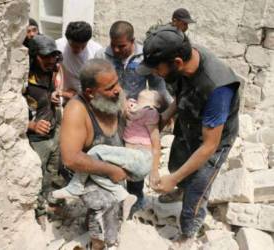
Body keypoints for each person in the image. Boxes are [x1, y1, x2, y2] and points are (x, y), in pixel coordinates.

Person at [137, 26, 240, 248]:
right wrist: (165, 116)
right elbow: (182, 93)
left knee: (197, 185)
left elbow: (209, 146)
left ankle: (188, 232)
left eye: (157, 69)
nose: (156, 73)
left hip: (214, 140)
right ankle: (180, 188)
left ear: (177, 63)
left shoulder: (217, 88)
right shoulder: (184, 59)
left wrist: (171, 180)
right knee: (178, 159)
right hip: (190, 120)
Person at [95, 20, 173, 212]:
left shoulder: (143, 58)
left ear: (132, 41)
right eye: (113, 45)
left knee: (136, 159)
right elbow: (94, 84)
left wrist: (166, 110)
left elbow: (157, 85)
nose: (116, 49)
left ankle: (136, 200)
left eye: (121, 46)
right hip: (109, 114)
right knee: (110, 155)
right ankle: (113, 199)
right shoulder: (102, 56)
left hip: (136, 119)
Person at [53, 89, 164, 220]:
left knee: (95, 152)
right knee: (96, 167)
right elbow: (128, 109)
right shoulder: (135, 112)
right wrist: (126, 104)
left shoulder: (150, 113)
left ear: (154, 107)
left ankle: (75, 187)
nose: (137, 104)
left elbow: (156, 143)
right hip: (130, 160)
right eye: (137, 100)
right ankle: (123, 196)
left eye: (144, 102)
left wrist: (155, 170)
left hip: (141, 158)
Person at [60, 58, 129, 250]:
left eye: (117, 82)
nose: (117, 90)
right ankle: (98, 244)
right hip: (83, 171)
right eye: (109, 87)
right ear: (90, 92)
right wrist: (111, 170)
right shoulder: (76, 110)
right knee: (103, 202)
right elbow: (70, 158)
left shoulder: (115, 93)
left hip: (112, 164)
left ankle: (111, 236)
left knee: (118, 203)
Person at [23, 34, 65, 229]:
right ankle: (38, 212)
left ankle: (46, 202)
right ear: (34, 56)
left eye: (53, 56)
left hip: (53, 133)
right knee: (37, 176)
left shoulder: (51, 70)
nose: (50, 61)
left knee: (51, 173)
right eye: (45, 57)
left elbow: (51, 90)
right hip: (36, 140)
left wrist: (54, 96)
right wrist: (32, 125)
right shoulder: (24, 80)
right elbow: (8, 113)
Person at [55, 21, 102, 102]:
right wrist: (61, 93)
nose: (79, 50)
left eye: (83, 46)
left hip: (87, 99)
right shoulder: (58, 46)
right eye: (74, 46)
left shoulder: (97, 52)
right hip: (64, 96)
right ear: (67, 40)